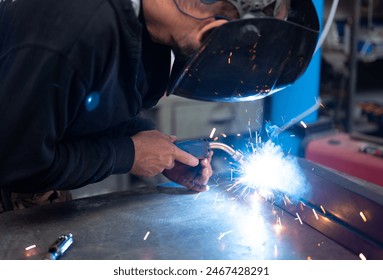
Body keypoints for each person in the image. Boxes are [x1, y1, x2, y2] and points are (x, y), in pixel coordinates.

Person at [0, 0, 319, 211]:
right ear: (215, 26)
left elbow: (83, 110)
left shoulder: (145, 28)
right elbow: (19, 163)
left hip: (39, 195)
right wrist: (129, 154)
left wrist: (154, 146)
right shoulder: (76, 27)